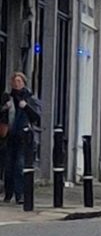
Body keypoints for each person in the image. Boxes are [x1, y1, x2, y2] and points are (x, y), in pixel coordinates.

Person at [3, 72, 41, 204]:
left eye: (19, 81)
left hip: (24, 138)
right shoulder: (7, 98)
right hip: (9, 136)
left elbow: (36, 117)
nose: (16, 84)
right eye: (14, 81)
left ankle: (20, 195)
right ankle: (8, 194)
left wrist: (26, 107)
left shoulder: (30, 98)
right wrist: (4, 108)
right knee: (8, 167)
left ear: (24, 83)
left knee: (19, 166)